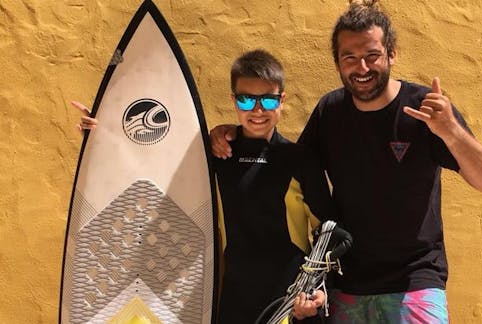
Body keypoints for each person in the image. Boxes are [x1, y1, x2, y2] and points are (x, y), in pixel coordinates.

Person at [210, 1, 482, 323]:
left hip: (414, 281)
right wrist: (229, 134)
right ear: (337, 63)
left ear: (392, 54)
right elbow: (286, 165)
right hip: (347, 285)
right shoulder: (329, 112)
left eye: (372, 55)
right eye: (350, 57)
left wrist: (452, 132)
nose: (361, 67)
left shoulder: (424, 109)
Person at [73, 49, 342, 323]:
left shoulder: (300, 160)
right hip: (232, 299)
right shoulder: (215, 156)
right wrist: (103, 135)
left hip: (290, 299)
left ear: (282, 100)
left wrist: (319, 290)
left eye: (268, 101)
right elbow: (153, 160)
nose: (258, 110)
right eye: (247, 100)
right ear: (234, 101)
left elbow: (329, 231)